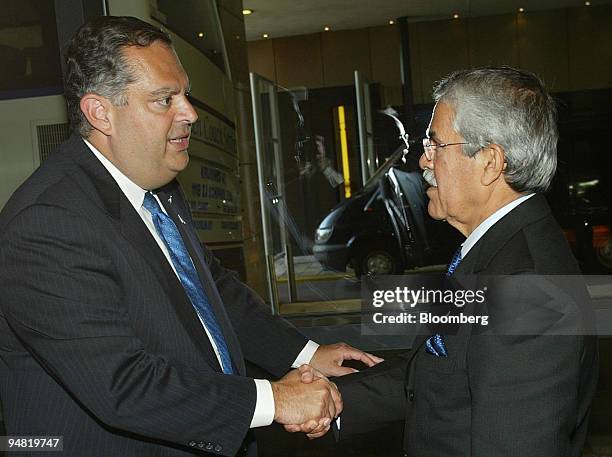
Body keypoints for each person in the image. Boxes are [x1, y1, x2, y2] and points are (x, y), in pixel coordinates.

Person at [0, 16, 383, 457]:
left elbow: (209, 290)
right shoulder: (47, 224)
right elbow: (122, 386)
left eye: (184, 93)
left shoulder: (157, 186)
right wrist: (274, 400)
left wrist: (305, 354)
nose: (190, 113)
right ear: (100, 112)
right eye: (165, 99)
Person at [289, 67, 599, 456]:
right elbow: (437, 372)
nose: (422, 161)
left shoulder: (526, 287)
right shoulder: (495, 251)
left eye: (435, 144)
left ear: (489, 161)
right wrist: (332, 401)